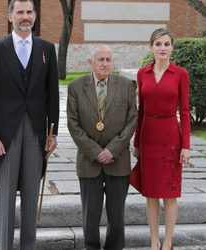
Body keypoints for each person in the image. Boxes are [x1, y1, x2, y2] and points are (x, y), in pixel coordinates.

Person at [0, 0, 59, 249]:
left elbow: (52, 94)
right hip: (5, 136)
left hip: (36, 133)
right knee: (5, 199)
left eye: (29, 12)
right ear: (9, 16)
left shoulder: (47, 49)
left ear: (35, 15)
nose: (25, 17)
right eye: (20, 12)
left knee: (30, 198)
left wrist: (52, 133)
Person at [67, 44, 138, 250]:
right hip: (89, 161)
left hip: (118, 160)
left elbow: (132, 120)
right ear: (90, 62)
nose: (106, 64)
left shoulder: (126, 86)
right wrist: (96, 152)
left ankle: (115, 247)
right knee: (91, 214)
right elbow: (73, 124)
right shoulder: (76, 87)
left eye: (109, 59)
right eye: (101, 60)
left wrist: (111, 150)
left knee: (117, 215)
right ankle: (91, 247)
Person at [132, 28, 190, 250]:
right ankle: (154, 241)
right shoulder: (142, 73)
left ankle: (168, 242)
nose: (162, 48)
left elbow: (184, 112)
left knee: (170, 192)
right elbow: (140, 110)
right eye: (158, 44)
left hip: (170, 136)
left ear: (172, 47)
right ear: (151, 47)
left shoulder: (181, 74)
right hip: (148, 136)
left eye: (166, 44)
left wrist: (186, 145)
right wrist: (136, 143)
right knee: (151, 192)